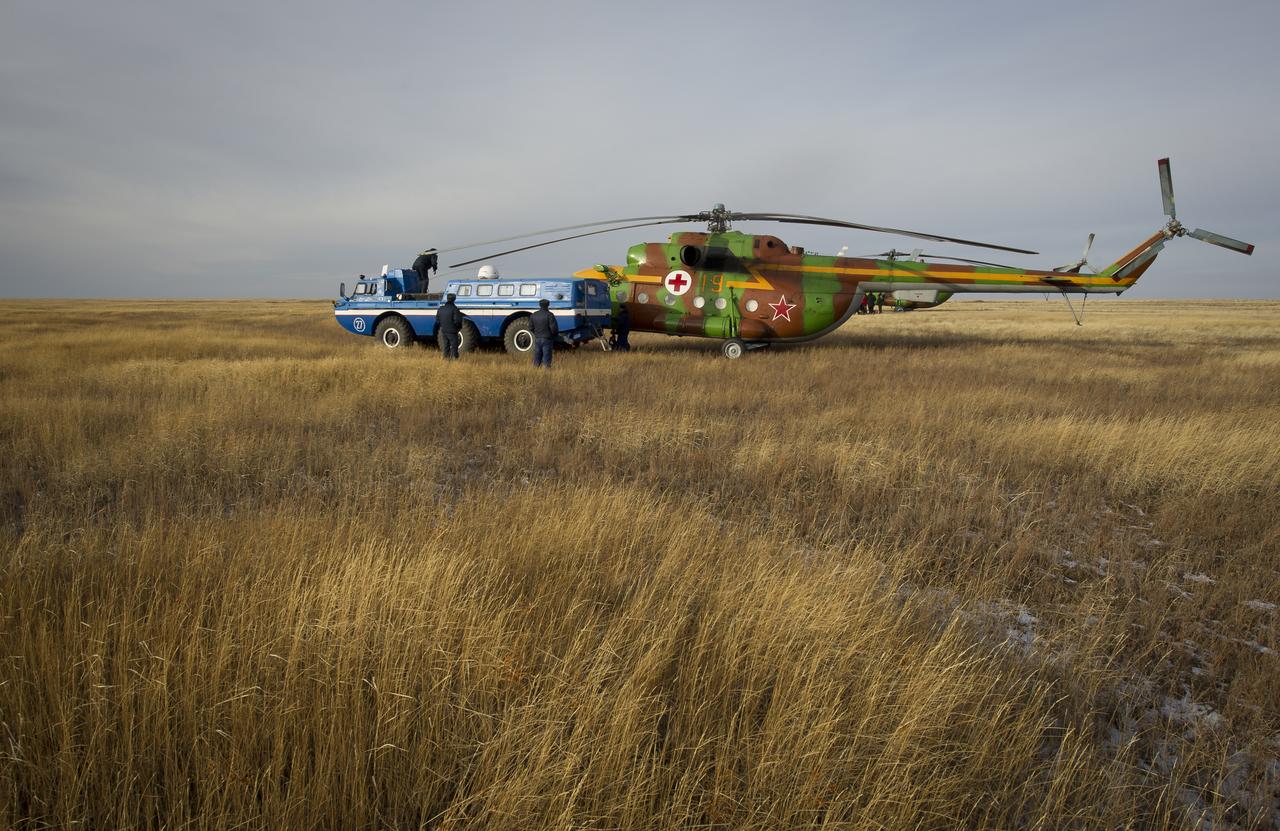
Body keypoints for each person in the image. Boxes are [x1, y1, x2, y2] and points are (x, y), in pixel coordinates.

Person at [529, 298, 558, 368]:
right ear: (548, 305)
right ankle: (546, 371)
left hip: (537, 339)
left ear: (540, 305)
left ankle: (535, 371)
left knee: (537, 357)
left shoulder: (534, 315)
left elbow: (530, 328)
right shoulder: (550, 315)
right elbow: (553, 329)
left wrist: (536, 333)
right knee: (546, 358)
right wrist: (554, 335)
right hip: (547, 339)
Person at [437, 293, 464, 359]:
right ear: (454, 299)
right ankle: (454, 359)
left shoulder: (441, 309)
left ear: (447, 298)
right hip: (452, 331)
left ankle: (445, 358)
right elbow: (457, 321)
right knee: (454, 346)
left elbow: (437, 320)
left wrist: (442, 325)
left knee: (446, 346)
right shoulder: (455, 309)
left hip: (444, 330)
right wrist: (458, 328)